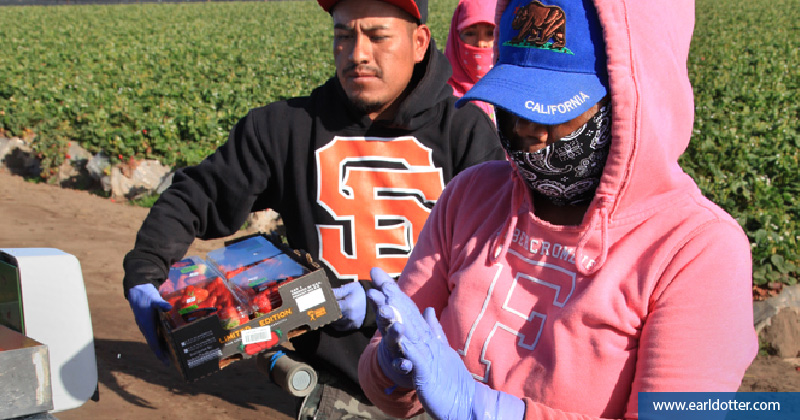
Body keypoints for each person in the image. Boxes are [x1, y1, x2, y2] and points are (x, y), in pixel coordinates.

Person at [358, 0, 758, 419]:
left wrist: (488, 409)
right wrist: (389, 363)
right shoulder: (470, 198)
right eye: (513, 103)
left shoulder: (696, 252)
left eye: (555, 108)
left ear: (631, 98)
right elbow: (387, 395)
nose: (527, 128)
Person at [122, 0, 504, 418]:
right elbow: (199, 195)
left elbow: (492, 261)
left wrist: (380, 306)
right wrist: (145, 271)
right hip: (339, 386)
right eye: (343, 36)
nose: (357, 53)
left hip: (445, 382)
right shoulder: (284, 128)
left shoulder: (465, 133)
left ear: (419, 42)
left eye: (377, 36)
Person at [444, 0, 497, 121]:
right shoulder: (443, 94)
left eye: (490, 33)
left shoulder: (516, 89)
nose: (481, 43)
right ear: (455, 37)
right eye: (470, 33)